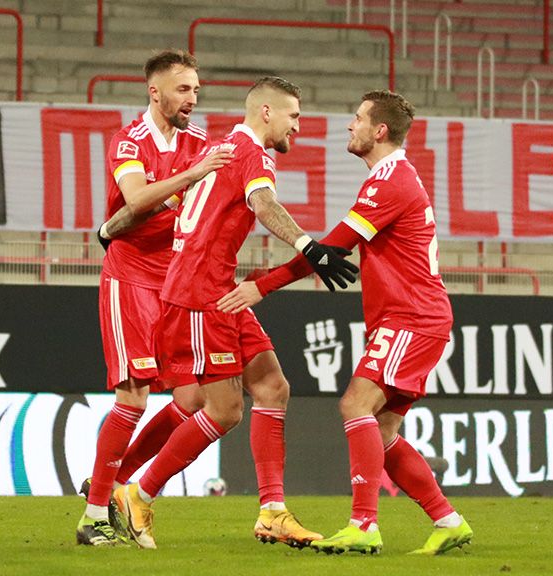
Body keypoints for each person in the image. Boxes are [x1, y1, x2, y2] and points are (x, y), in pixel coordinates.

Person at [218, 90, 473, 556]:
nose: (348, 126)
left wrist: (262, 285)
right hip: (414, 316)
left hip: (411, 317)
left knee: (356, 405)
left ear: (379, 131)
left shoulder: (390, 180)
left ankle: (364, 524)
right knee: (384, 432)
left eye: (356, 119)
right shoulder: (391, 178)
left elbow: (333, 246)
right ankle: (447, 519)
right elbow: (335, 250)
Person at [109, 76, 359, 550]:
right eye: (294, 116)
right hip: (200, 294)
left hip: (216, 289)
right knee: (223, 411)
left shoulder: (226, 146)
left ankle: (272, 511)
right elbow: (263, 204)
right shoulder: (251, 152)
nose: (298, 128)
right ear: (266, 112)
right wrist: (308, 244)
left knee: (272, 387)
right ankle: (137, 495)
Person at [76, 49, 234, 547]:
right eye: (183, 89)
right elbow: (137, 199)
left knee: (192, 399)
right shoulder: (131, 140)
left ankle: (116, 482)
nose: (193, 97)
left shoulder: (199, 141)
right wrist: (195, 173)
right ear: (155, 92)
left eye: (196, 89)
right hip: (131, 277)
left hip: (178, 283)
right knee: (134, 395)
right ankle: (94, 515)